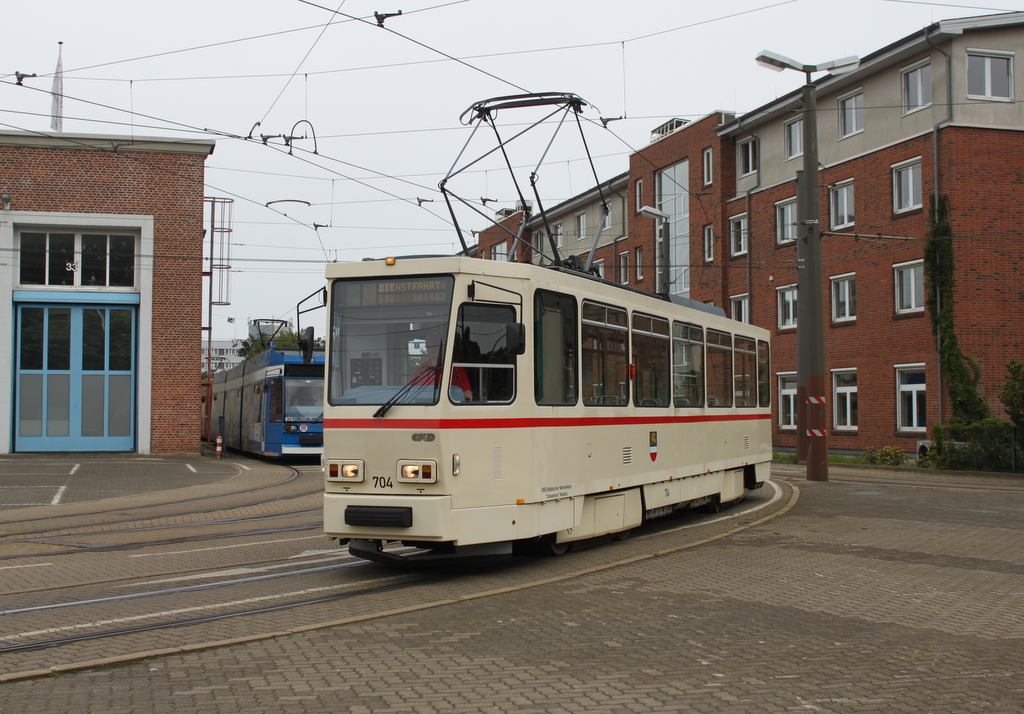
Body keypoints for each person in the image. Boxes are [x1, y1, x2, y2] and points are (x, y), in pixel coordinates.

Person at [409, 334, 473, 400]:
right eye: (428, 346)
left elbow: (467, 393)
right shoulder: (421, 369)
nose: (431, 349)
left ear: (442, 347)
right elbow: (409, 391)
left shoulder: (455, 367)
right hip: (424, 407)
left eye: (434, 345)